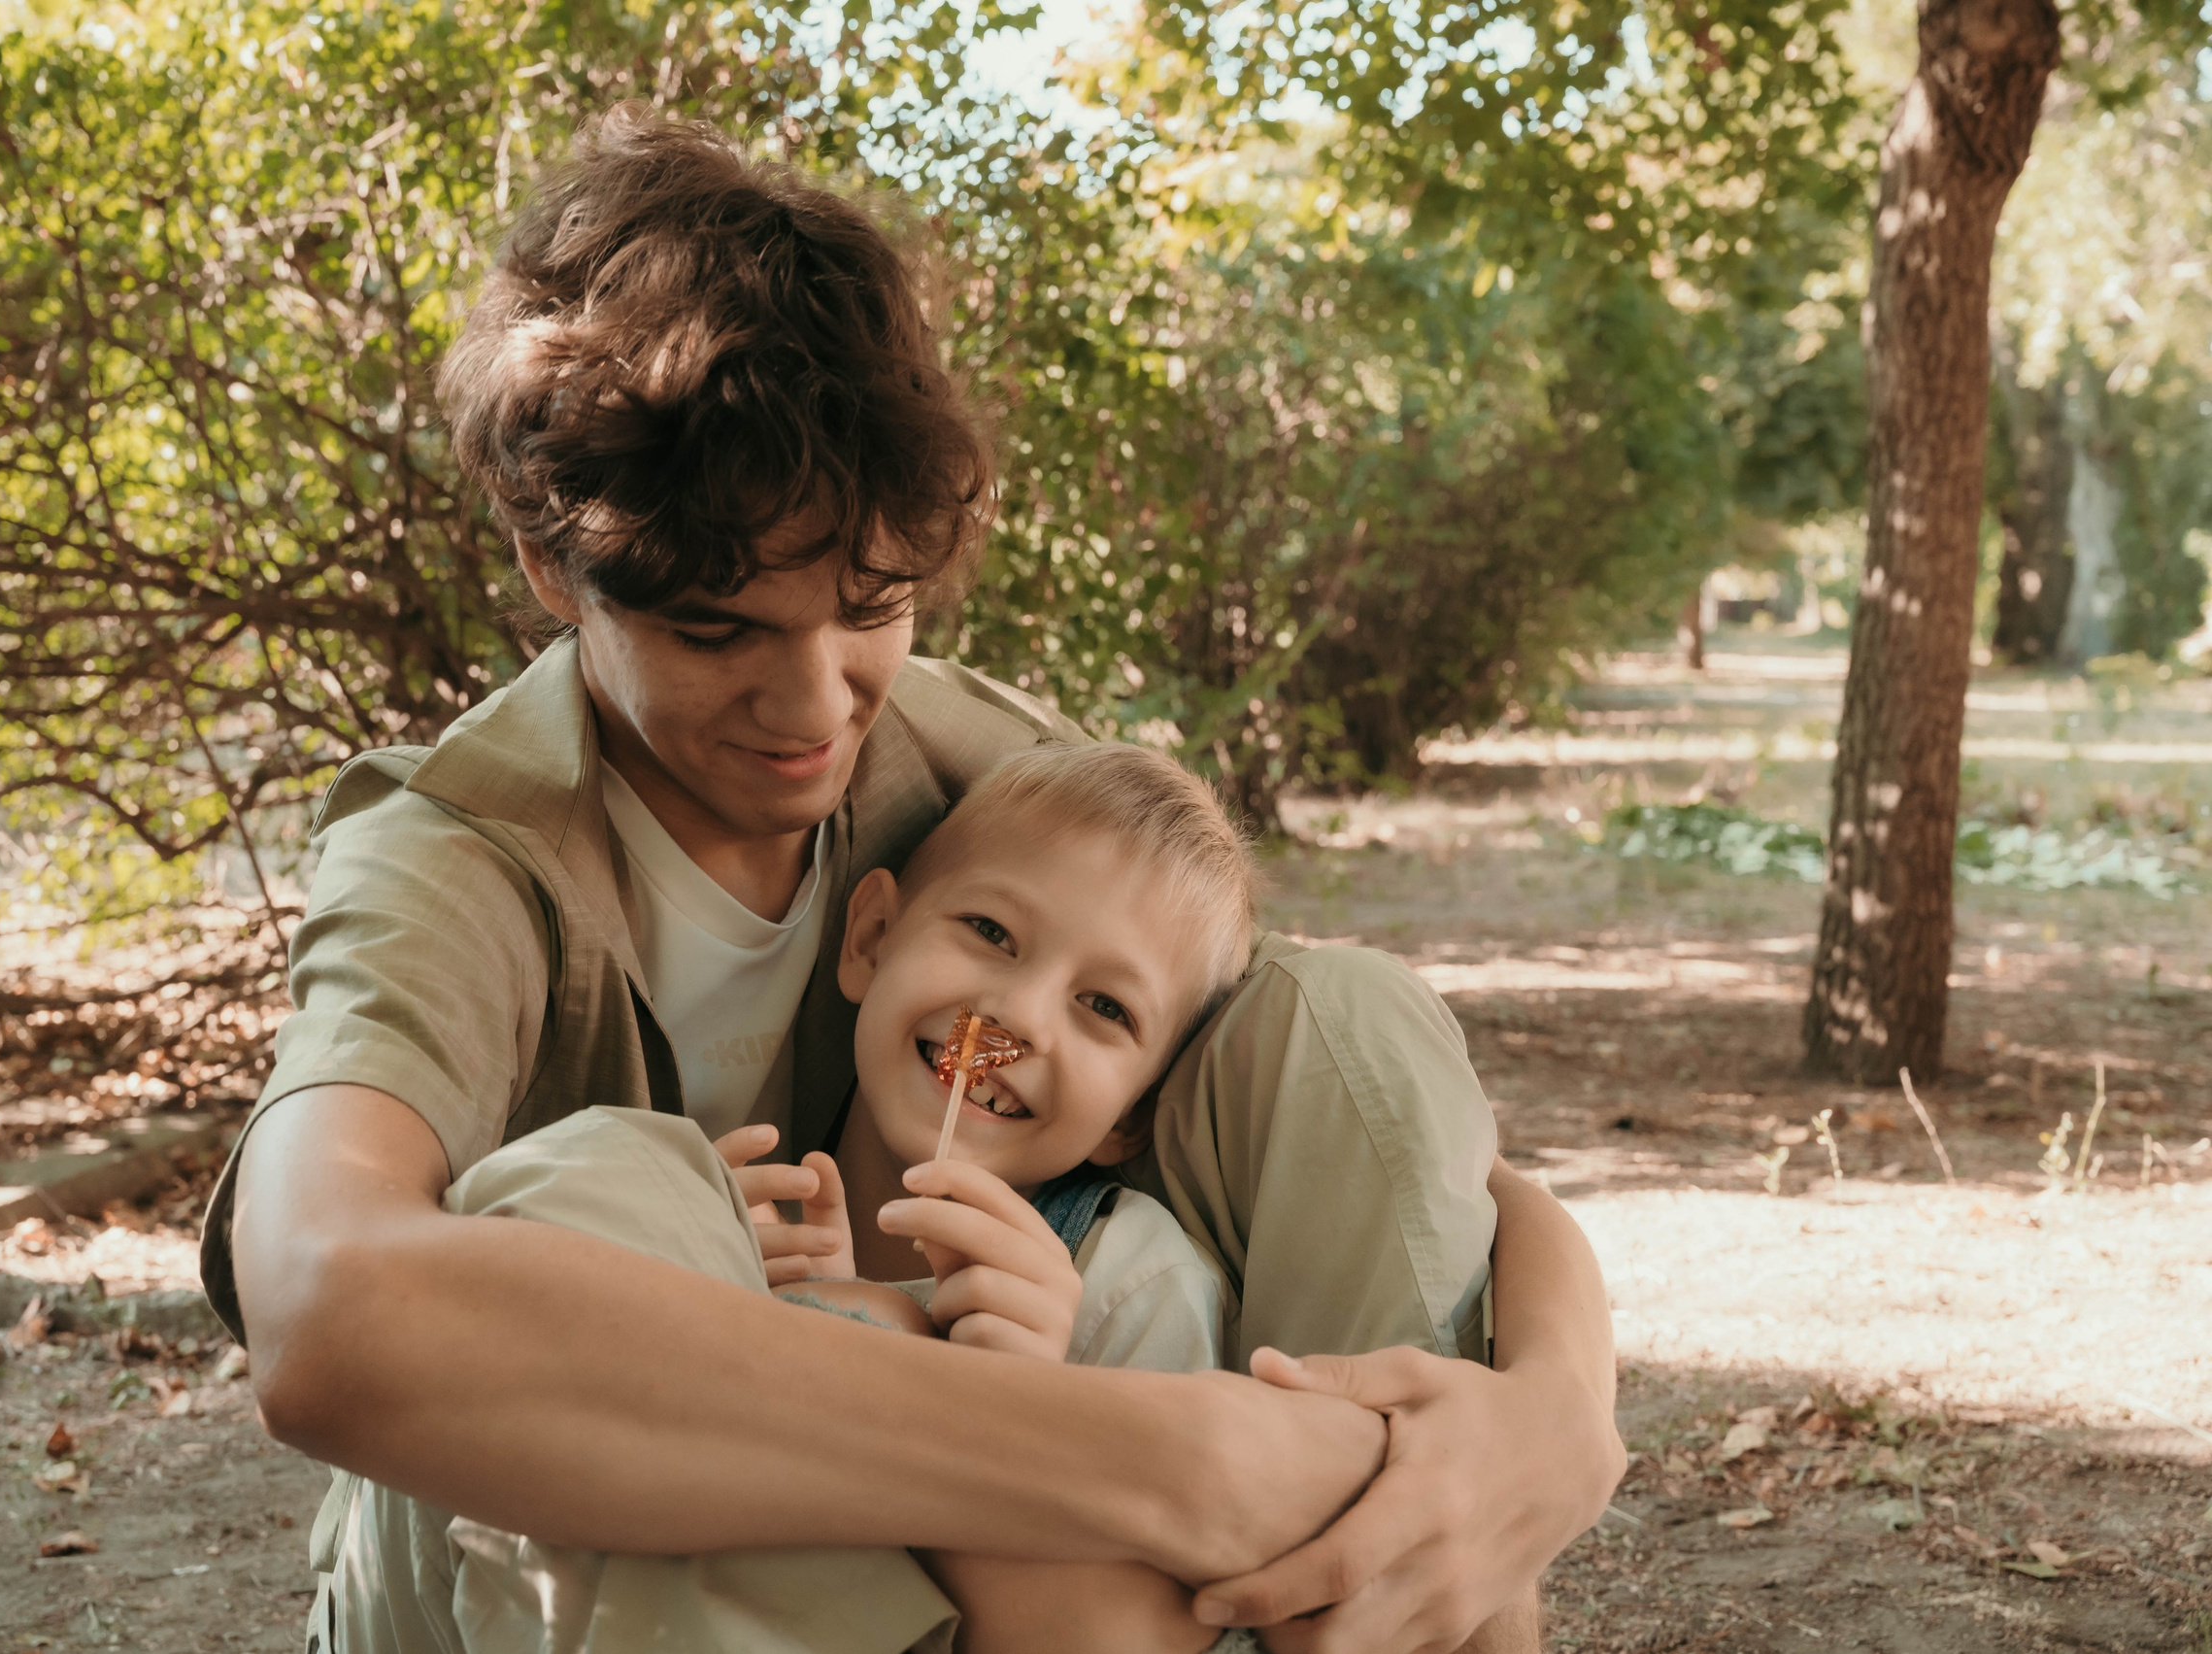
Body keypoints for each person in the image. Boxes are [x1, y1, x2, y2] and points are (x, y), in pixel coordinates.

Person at [208, 106, 1625, 1654]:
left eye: (870, 603)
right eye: (718, 628)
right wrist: (1161, 1460)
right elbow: (323, 1308)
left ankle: (1409, 1596)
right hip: (535, 1575)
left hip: (938, 1567)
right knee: (620, 1188)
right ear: (557, 569)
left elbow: (1388, 1126)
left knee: (1337, 1008)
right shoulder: (460, 849)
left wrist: (1554, 1408)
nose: (815, 705)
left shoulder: (964, 770)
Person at [319, 742, 1304, 1653]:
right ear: (870, 937)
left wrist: (1017, 1403)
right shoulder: (740, 1207)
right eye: (991, 931)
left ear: (1134, 1116)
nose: (1013, 1015)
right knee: (611, 1170)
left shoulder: (1128, 1287)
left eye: (1105, 1007)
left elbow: (1121, 1626)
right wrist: (710, 1300)